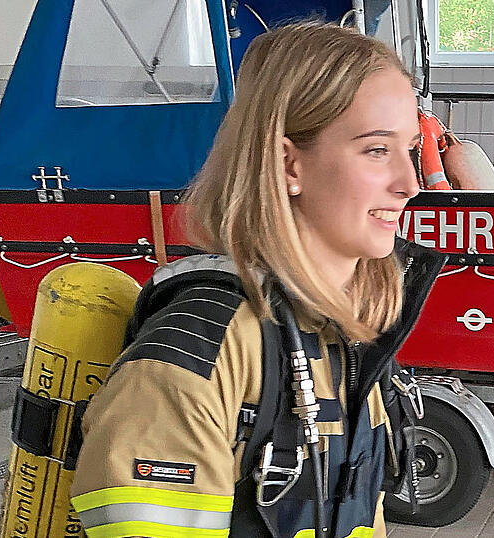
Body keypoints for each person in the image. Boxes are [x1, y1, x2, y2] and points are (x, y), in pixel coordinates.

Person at [69, 21, 446, 538]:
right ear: (289, 163)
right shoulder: (201, 351)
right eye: (376, 149)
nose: (410, 183)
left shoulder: (349, 339)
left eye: (411, 149)